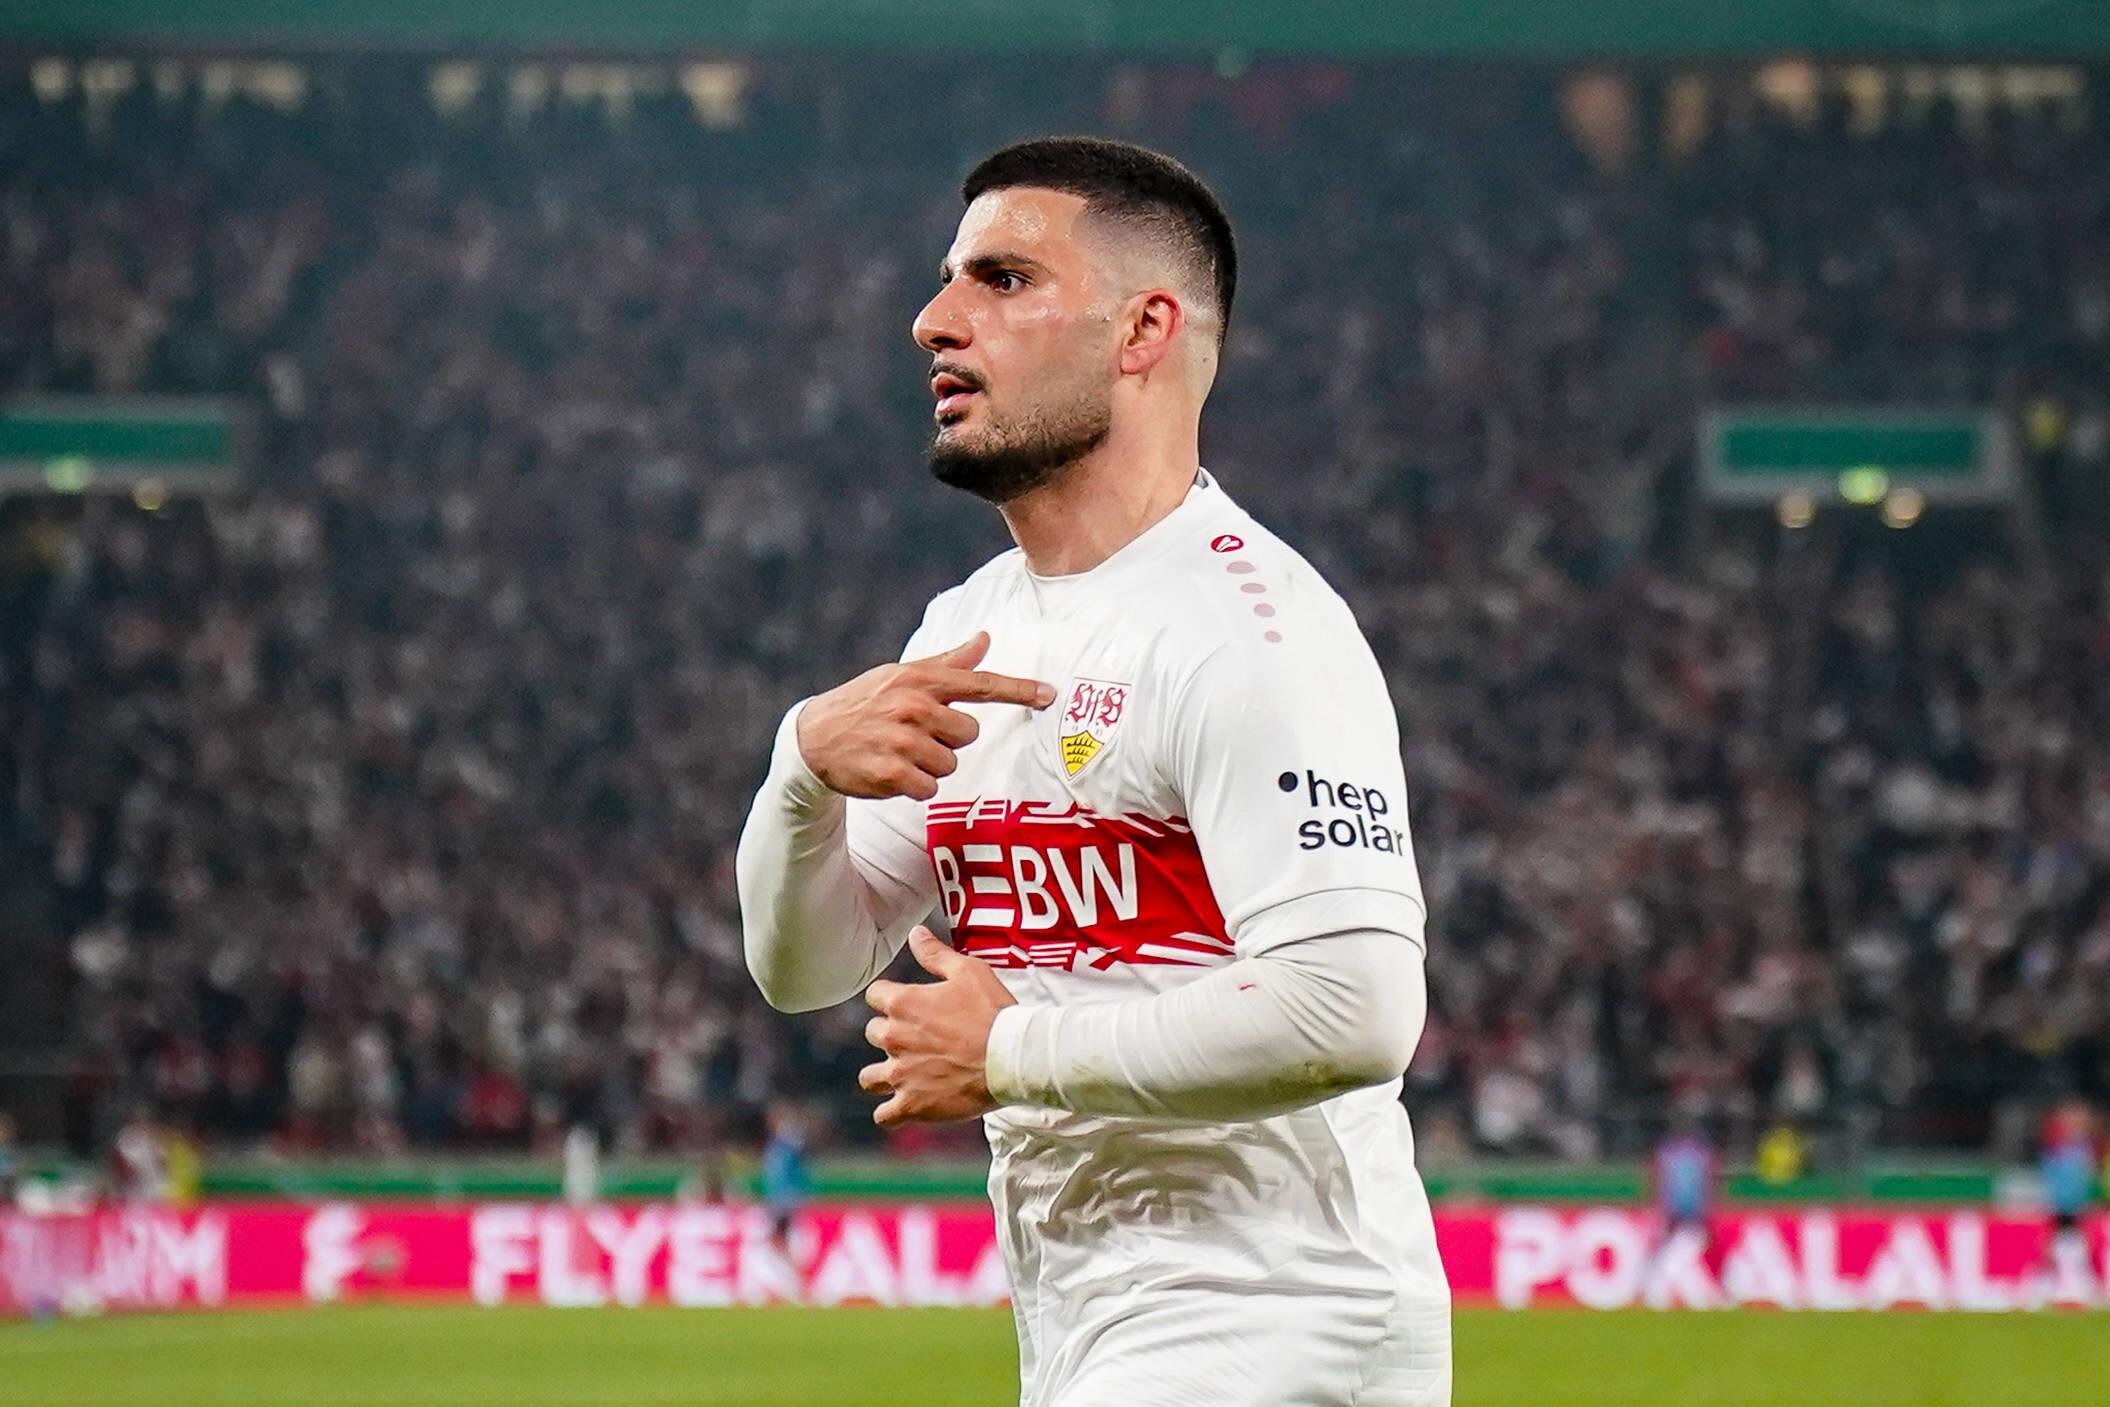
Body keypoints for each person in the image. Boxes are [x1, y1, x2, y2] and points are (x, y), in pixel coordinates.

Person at [739, 137, 1448, 1406]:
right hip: (1087, 1319)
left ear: (1143, 331)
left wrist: (1013, 1055)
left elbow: (1356, 1007)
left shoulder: (1252, 627)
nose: (933, 320)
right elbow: (806, 967)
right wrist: (800, 771)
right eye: (948, 279)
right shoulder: (972, 624)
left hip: (1276, 1315)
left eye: (1003, 279)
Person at [2036, 1098, 2102, 1306]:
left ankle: (2077, 1285)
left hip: (2076, 1205)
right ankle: (2048, 1285)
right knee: (2059, 1244)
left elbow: (2087, 1177)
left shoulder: (2083, 1148)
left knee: (2076, 1244)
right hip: (2060, 1205)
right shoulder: (2056, 1146)